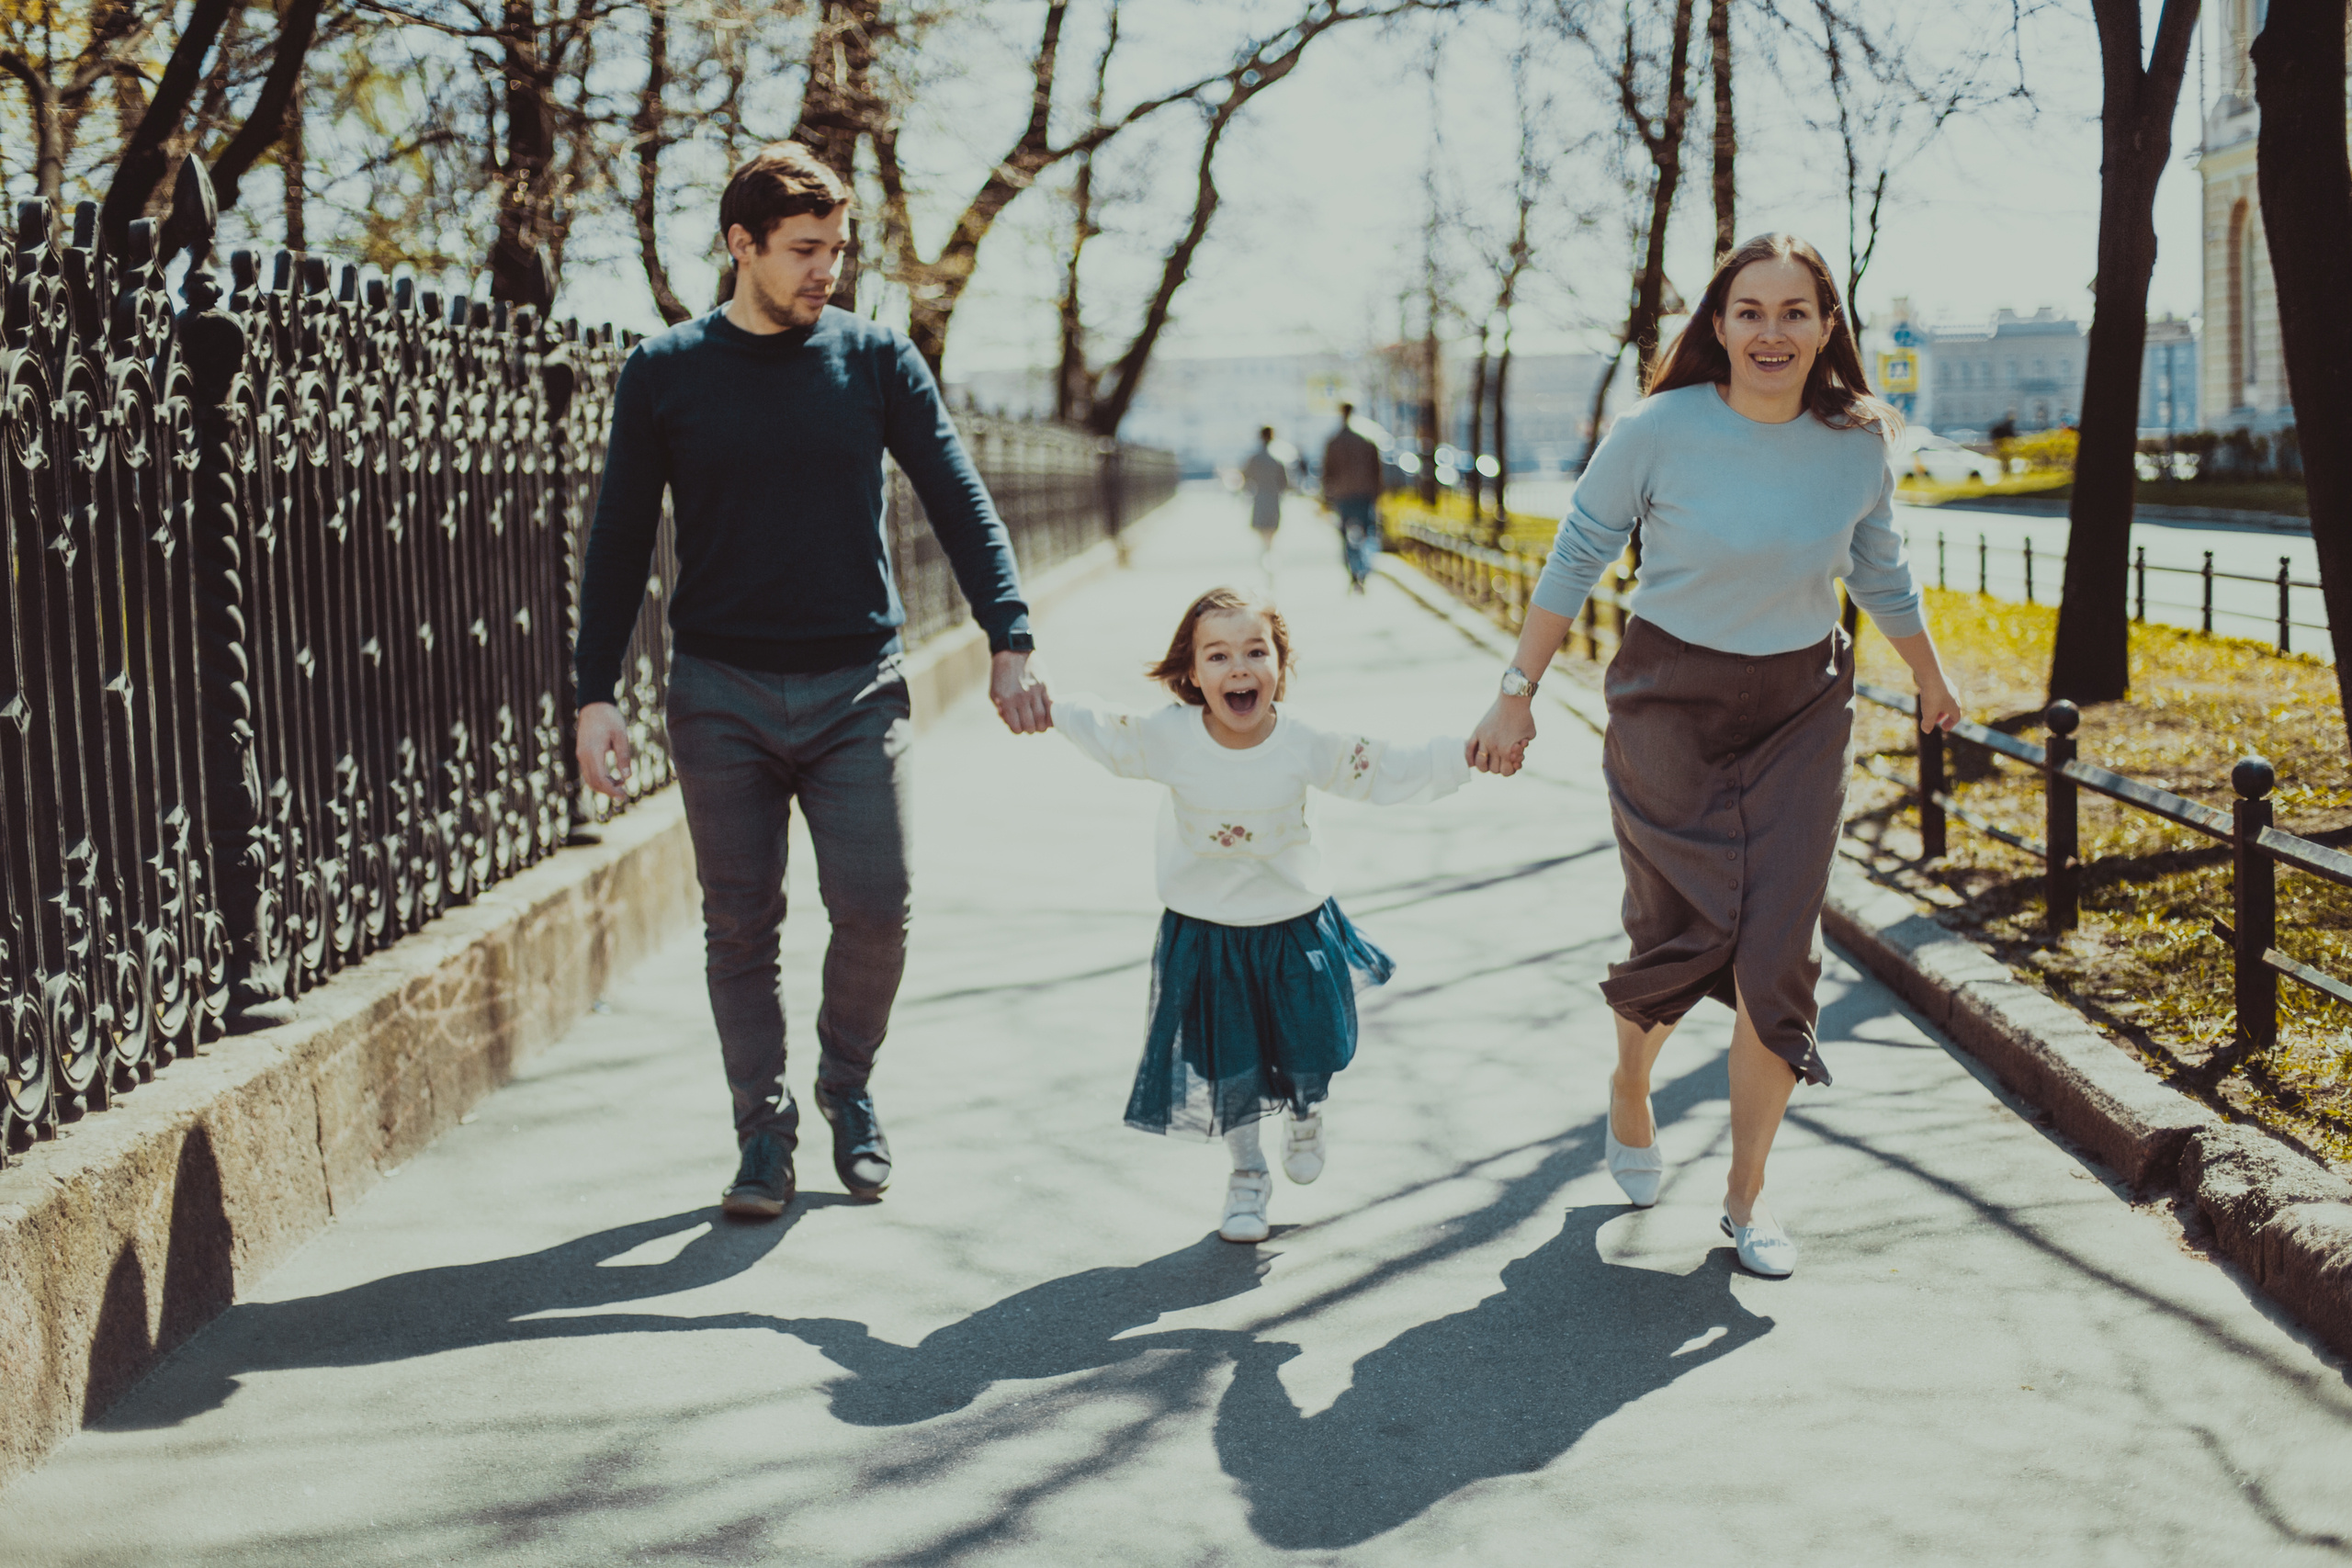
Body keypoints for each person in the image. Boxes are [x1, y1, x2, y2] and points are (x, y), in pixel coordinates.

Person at [1464, 232, 1963, 1279]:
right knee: (1676, 929)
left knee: (1775, 950)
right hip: (1667, 703)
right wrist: (1515, 695)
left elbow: (1880, 567)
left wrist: (1929, 672)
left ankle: (1746, 1199)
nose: (1771, 332)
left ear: (1828, 326)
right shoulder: (1660, 427)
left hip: (1800, 708)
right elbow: (1578, 553)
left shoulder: (1858, 441)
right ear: (1718, 324)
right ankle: (1630, 1086)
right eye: (1750, 311)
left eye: (1794, 312)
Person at [572, 141, 1052, 1221]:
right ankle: (762, 1129)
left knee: (876, 906)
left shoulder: (877, 361)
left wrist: (1008, 633)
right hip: (719, 692)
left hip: (855, 689)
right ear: (740, 246)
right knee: (739, 926)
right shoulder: (665, 372)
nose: (825, 268)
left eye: (837, 249)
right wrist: (592, 689)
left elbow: (959, 498)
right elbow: (614, 542)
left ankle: (849, 1085)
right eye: (803, 249)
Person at [1049, 587, 1469, 1243]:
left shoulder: (1304, 740)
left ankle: (1306, 1110)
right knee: (1230, 1065)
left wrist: (1464, 754)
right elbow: (1108, 732)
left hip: (1295, 925)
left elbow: (1385, 767)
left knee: (1315, 1046)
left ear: (1281, 664)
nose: (1238, 668)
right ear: (1192, 673)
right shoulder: (1169, 737)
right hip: (1207, 934)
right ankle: (1247, 1177)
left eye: (1255, 651)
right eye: (1217, 655)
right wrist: (1043, 703)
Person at [1321, 403, 1384, 592]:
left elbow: (1327, 472)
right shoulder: (1367, 437)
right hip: (1365, 493)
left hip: (1343, 494)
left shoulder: (1334, 440)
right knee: (1367, 532)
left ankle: (1354, 570)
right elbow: (1377, 468)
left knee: (1347, 535)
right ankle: (1364, 568)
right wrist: (1379, 491)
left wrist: (1326, 497)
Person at [1241, 428, 1288, 567]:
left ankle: (1265, 558)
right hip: (1273, 500)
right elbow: (1284, 483)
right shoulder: (1278, 459)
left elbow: (1246, 478)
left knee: (1262, 534)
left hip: (1260, 499)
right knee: (1271, 534)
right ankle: (1270, 557)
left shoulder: (1254, 459)